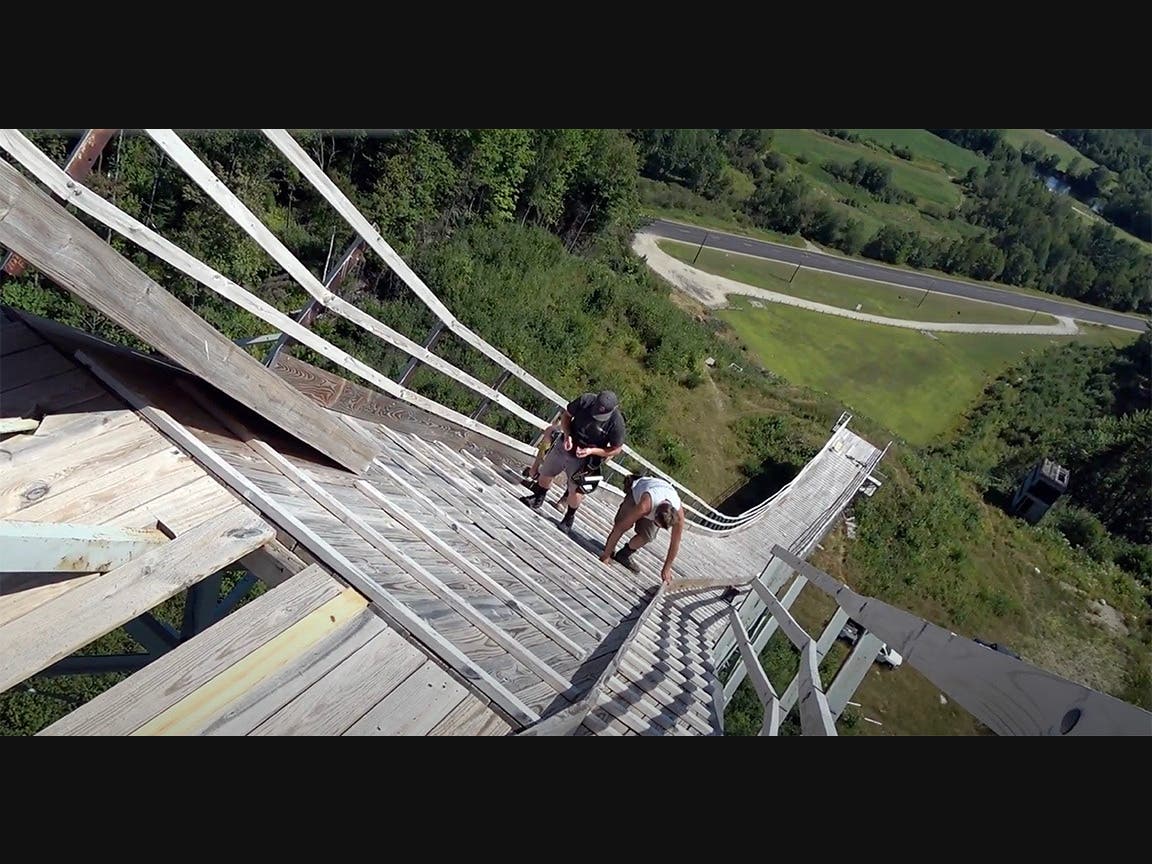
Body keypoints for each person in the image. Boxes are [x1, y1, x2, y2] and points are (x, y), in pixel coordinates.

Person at [522, 390, 625, 533]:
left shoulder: (616, 423)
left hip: (586, 457)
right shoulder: (585, 400)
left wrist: (592, 451)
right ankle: (538, 497)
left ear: (614, 408)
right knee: (547, 471)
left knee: (576, 490)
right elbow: (566, 416)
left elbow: (616, 449)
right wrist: (567, 434)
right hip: (568, 443)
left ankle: (569, 517)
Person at [600, 473, 685, 585]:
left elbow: (675, 543)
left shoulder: (678, 515)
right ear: (655, 514)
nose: (657, 526)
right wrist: (605, 556)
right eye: (656, 523)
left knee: (648, 536)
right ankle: (610, 549)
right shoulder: (646, 505)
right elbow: (620, 528)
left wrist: (666, 569)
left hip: (661, 494)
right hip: (638, 494)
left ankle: (624, 554)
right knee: (623, 523)